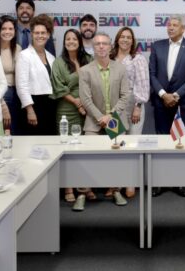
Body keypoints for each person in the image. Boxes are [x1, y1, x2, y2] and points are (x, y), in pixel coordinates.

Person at [78, 33, 131, 209]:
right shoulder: (85, 71)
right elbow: (85, 99)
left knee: (117, 157)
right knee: (86, 156)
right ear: (93, 47)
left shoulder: (120, 69)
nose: (101, 47)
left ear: (110, 47)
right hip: (94, 121)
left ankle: (115, 189)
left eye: (104, 43)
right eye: (97, 44)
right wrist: (100, 118)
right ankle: (83, 192)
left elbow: (125, 95)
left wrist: (111, 116)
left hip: (114, 120)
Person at [149, 15, 185, 198]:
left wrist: (176, 95)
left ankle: (179, 182)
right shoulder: (157, 46)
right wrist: (163, 94)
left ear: (183, 29)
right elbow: (152, 74)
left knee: (179, 143)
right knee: (162, 143)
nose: (170, 28)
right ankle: (160, 183)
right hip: (161, 102)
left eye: (175, 25)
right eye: (169, 25)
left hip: (182, 103)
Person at [51, 29, 91, 204]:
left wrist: (85, 103)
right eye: (68, 39)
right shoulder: (58, 62)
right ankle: (68, 188)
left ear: (80, 41)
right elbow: (58, 87)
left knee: (85, 150)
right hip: (67, 108)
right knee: (67, 149)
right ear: (64, 42)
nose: (71, 41)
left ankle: (85, 187)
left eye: (74, 38)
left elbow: (94, 82)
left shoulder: (88, 59)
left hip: (88, 108)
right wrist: (76, 102)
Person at [16, 15, 56, 135]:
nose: (40, 36)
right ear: (32, 34)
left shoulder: (51, 57)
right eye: (36, 33)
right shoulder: (24, 55)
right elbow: (21, 85)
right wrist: (29, 109)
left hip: (50, 104)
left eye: (43, 33)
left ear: (48, 35)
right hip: (33, 105)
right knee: (34, 141)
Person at [111, 27, 149, 137]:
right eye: (122, 37)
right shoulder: (110, 58)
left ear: (132, 41)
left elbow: (143, 84)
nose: (125, 40)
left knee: (133, 140)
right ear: (117, 39)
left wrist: (138, 107)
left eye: (128, 37)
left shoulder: (138, 59)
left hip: (133, 104)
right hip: (114, 105)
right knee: (115, 139)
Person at [0, 15, 23, 135]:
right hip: (1, 95)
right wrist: (2, 104)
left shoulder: (17, 48)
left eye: (11, 29)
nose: (7, 32)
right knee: (4, 131)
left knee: (14, 131)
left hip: (17, 94)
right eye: (4, 29)